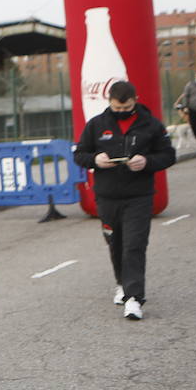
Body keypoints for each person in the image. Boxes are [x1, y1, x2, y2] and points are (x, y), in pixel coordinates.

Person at [73, 80, 176, 320]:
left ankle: (134, 298)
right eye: (117, 108)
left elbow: (168, 155)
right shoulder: (96, 125)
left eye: (126, 107)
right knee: (115, 243)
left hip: (139, 196)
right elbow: (80, 154)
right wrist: (95, 159)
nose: (122, 112)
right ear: (109, 102)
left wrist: (147, 162)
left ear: (135, 100)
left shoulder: (151, 125)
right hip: (107, 196)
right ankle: (121, 283)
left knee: (134, 245)